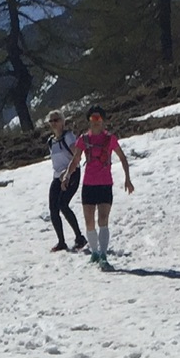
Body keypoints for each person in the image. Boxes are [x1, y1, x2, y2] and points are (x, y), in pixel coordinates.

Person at [72, 106, 134, 265]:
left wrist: (127, 178)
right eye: (93, 119)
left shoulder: (110, 139)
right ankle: (94, 252)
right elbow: (76, 159)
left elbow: (123, 158)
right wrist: (66, 175)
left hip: (105, 184)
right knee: (89, 221)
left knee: (103, 219)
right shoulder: (83, 140)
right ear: (89, 121)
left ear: (103, 120)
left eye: (98, 118)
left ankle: (103, 255)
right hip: (88, 184)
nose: (96, 122)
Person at [45, 110, 82, 252]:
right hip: (57, 176)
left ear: (62, 121)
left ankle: (79, 237)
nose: (54, 123)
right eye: (51, 121)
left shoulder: (69, 137)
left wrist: (67, 173)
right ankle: (61, 241)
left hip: (71, 173)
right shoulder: (51, 141)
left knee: (63, 204)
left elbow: (77, 155)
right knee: (53, 208)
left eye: (56, 120)